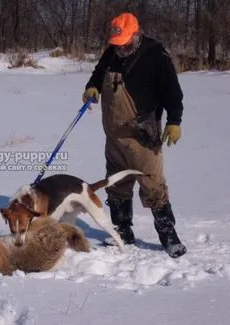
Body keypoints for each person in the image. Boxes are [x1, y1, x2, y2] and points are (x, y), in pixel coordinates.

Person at [82, 12, 187, 258]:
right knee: (116, 183)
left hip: (142, 133)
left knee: (152, 183)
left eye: (126, 43)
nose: (121, 48)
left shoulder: (156, 56)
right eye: (118, 44)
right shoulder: (113, 51)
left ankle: (168, 234)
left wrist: (174, 120)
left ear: (136, 35)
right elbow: (99, 72)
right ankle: (122, 230)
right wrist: (92, 85)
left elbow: (173, 91)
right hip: (114, 134)